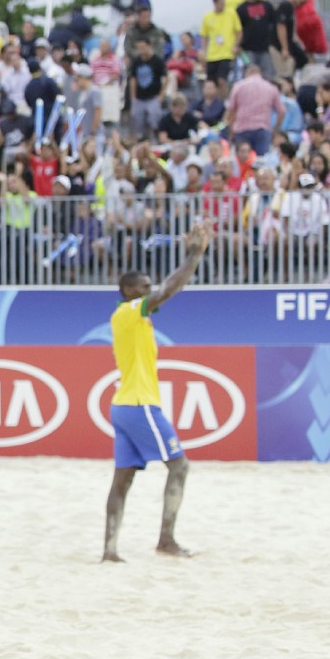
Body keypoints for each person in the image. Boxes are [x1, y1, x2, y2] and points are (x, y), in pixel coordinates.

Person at [103, 221, 214, 563]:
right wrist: (193, 257)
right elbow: (168, 290)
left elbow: (163, 292)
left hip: (125, 405)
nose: (151, 291)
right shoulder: (128, 312)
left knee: (122, 479)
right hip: (140, 405)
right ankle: (166, 540)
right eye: (144, 287)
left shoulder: (137, 319)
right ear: (128, 290)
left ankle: (109, 550)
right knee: (179, 467)